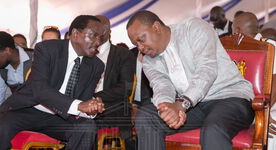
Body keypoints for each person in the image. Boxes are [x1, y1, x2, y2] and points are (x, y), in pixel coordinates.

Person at [127, 10, 254, 150]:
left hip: (230, 98)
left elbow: (207, 70)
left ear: (156, 27)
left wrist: (182, 104)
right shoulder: (148, 60)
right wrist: (167, 109)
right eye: (136, 44)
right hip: (194, 107)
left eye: (141, 39)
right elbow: (162, 86)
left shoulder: (193, 28)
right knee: (146, 118)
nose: (140, 47)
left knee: (213, 130)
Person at [0, 15, 105, 150]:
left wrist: (92, 109)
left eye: (100, 37)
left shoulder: (96, 65)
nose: (98, 42)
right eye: (94, 36)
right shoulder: (47, 49)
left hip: (59, 118)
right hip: (27, 110)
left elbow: (83, 101)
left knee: (87, 127)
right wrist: (79, 105)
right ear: (75, 34)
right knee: (0, 128)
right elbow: (39, 89)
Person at [232, 12, 276, 150]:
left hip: (268, 109)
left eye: (232, 30)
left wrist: (262, 115)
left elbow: (274, 85)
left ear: (237, 31)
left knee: (270, 132)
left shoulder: (270, 47)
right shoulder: (235, 48)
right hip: (243, 108)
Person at [93, 15, 136, 145]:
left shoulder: (123, 54)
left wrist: (93, 97)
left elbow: (125, 88)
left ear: (106, 31)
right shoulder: (84, 52)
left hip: (111, 106)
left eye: (94, 29)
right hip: (82, 104)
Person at [0, 31, 33, 124]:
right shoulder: (1, 67)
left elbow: (36, 95)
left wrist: (7, 106)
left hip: (38, 109)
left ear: (8, 50)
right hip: (17, 110)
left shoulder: (35, 60)